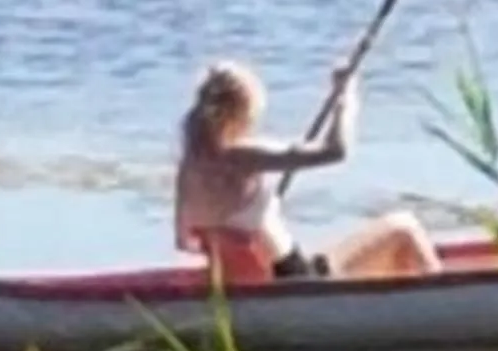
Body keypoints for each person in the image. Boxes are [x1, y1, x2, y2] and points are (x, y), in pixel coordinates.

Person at [175, 61, 441, 284]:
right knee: (404, 225)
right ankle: (437, 303)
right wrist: (346, 98)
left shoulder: (188, 168)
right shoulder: (243, 156)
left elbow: (184, 241)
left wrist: (256, 217)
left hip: (235, 285)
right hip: (293, 279)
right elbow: (335, 151)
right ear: (239, 113)